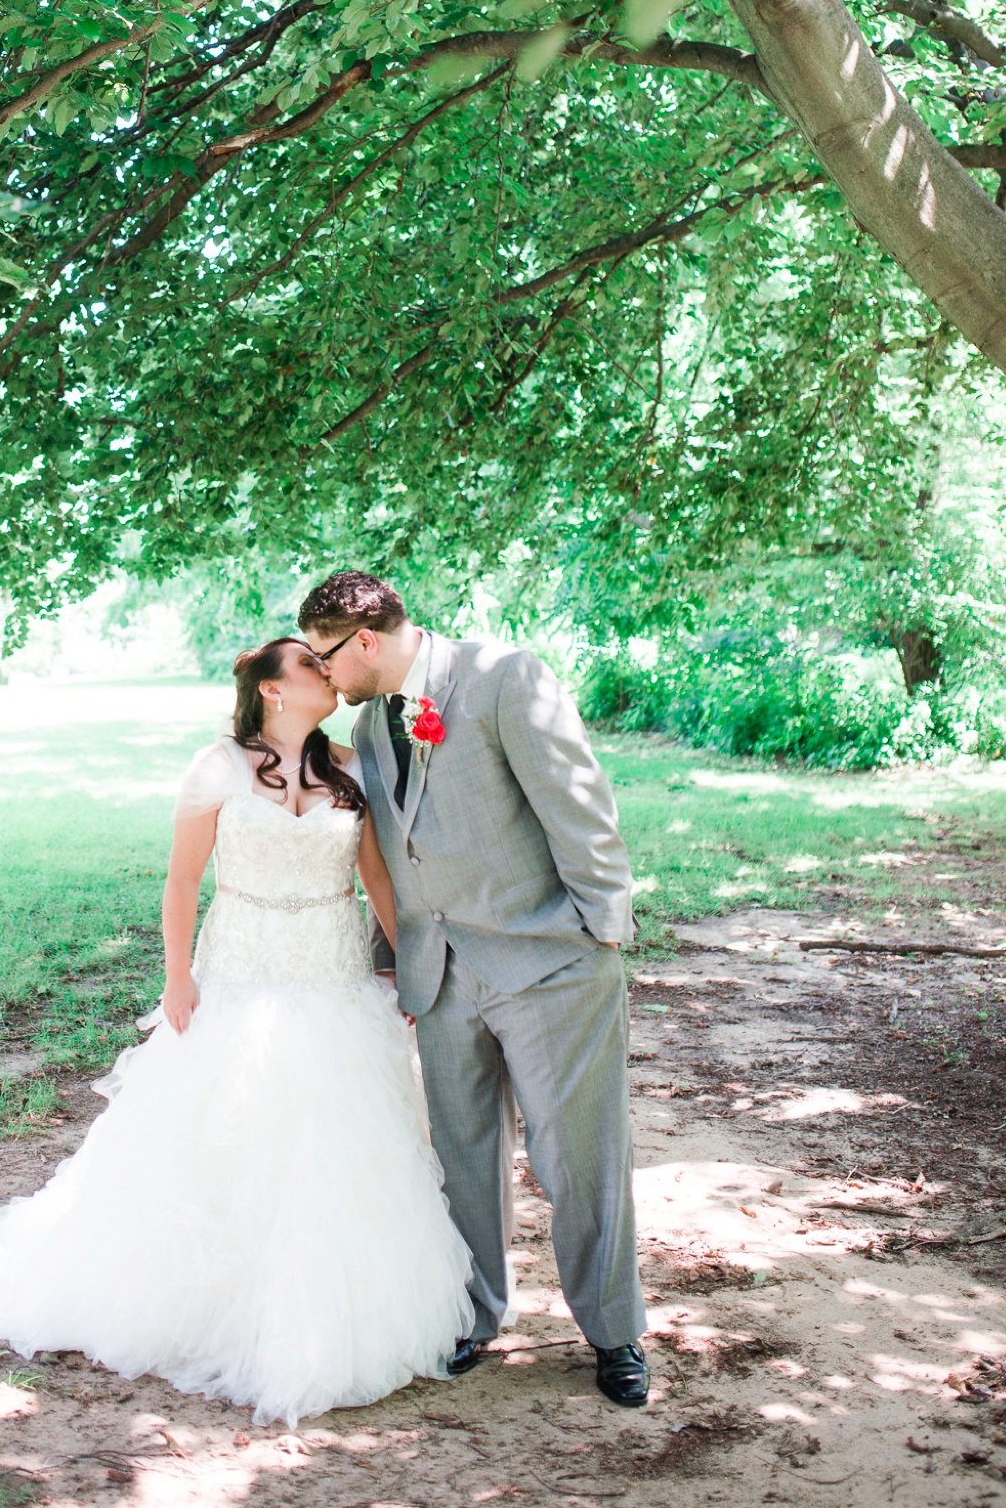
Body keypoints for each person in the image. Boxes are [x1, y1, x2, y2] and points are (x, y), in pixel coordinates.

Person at [0, 637, 473, 1427]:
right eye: (309, 667)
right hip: (239, 976)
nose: (328, 674)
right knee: (223, 1136)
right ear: (271, 691)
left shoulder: (349, 769)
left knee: (330, 1145)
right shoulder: (215, 767)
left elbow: (378, 881)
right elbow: (183, 878)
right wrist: (177, 976)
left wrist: (415, 970)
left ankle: (316, 1314)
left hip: (330, 977)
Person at [297, 571, 649, 1409]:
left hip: (550, 964)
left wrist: (601, 934)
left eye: (325, 655)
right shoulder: (374, 721)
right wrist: (396, 954)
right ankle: (477, 1316)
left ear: (366, 639)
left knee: (580, 1158)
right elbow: (395, 846)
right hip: (441, 975)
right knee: (463, 1162)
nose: (324, 674)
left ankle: (613, 1332)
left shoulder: (505, 677)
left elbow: (581, 807)